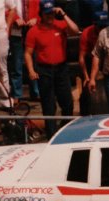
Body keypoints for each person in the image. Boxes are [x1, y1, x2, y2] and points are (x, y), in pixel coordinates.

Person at [24, 0, 79, 139]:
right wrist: (31, 70)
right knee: (48, 105)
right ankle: (51, 135)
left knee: (67, 102)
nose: (49, 16)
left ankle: (67, 130)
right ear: (41, 14)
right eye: (46, 13)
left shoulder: (60, 25)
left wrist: (64, 14)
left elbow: (75, 29)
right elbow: (28, 53)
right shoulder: (34, 31)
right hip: (44, 70)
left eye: (51, 13)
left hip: (61, 68)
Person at [79, 10, 109, 115]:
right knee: (86, 90)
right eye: (100, 26)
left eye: (104, 26)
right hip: (90, 60)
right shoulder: (86, 33)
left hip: (107, 58)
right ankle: (85, 115)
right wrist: (86, 76)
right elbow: (82, 57)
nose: (103, 29)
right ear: (95, 24)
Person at [9, 0, 40, 104]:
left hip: (33, 29)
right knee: (16, 65)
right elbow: (4, 9)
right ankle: (17, 94)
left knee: (35, 62)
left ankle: (36, 92)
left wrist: (36, 19)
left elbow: (43, 8)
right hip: (16, 29)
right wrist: (15, 18)